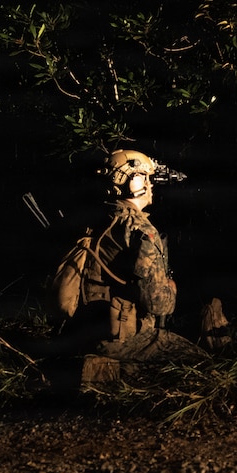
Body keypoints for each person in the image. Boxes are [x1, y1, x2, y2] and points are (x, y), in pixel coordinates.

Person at [64, 148, 180, 351]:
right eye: (145, 177)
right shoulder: (140, 228)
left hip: (86, 329)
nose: (150, 184)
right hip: (123, 340)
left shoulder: (101, 217)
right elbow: (158, 305)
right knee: (204, 360)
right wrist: (170, 288)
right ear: (133, 180)